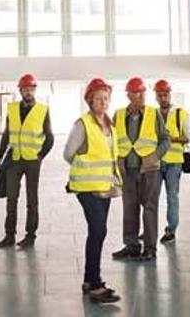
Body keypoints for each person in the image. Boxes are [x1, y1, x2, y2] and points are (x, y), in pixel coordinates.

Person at [63, 78, 122, 304]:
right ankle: (95, 284)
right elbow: (68, 154)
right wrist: (84, 167)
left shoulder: (109, 124)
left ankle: (90, 280)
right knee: (98, 230)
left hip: (105, 187)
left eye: (106, 98)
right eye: (98, 98)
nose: (103, 102)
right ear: (90, 100)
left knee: (99, 232)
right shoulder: (82, 124)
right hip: (87, 188)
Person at [111, 77, 170, 261]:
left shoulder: (154, 114)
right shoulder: (119, 115)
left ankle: (150, 248)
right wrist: (117, 159)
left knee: (150, 208)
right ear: (128, 95)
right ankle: (131, 245)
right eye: (137, 92)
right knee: (129, 208)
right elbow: (112, 141)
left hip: (149, 170)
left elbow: (165, 139)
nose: (141, 95)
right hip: (127, 170)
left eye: (143, 92)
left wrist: (154, 156)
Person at [0, 74, 55, 249]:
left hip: (32, 162)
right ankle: (9, 235)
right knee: (11, 198)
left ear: (34, 90)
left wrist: (40, 155)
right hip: (14, 160)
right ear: (20, 90)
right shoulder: (12, 108)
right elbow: (7, 133)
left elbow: (50, 137)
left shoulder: (42, 110)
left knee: (32, 200)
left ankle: (30, 235)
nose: (28, 92)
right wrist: (0, 154)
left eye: (31, 89)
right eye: (25, 89)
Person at [153, 79, 190, 245]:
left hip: (174, 163)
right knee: (151, 198)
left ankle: (171, 231)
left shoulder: (180, 113)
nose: (163, 98)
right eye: (160, 95)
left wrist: (172, 139)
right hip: (156, 162)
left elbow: (189, 137)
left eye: (165, 94)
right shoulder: (152, 114)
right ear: (156, 96)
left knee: (172, 197)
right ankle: (149, 230)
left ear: (170, 94)